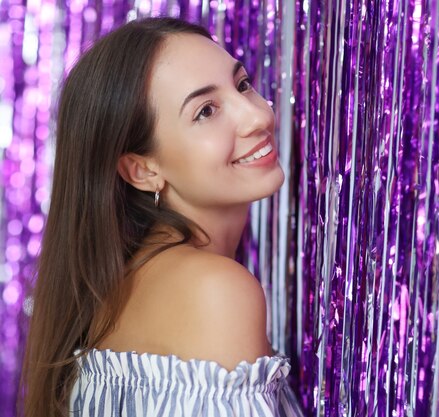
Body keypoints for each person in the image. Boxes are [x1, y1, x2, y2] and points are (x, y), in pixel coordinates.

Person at [19, 17, 304, 417]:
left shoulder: (123, 284)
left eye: (241, 84)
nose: (257, 115)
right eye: (206, 111)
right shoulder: (215, 290)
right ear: (142, 169)